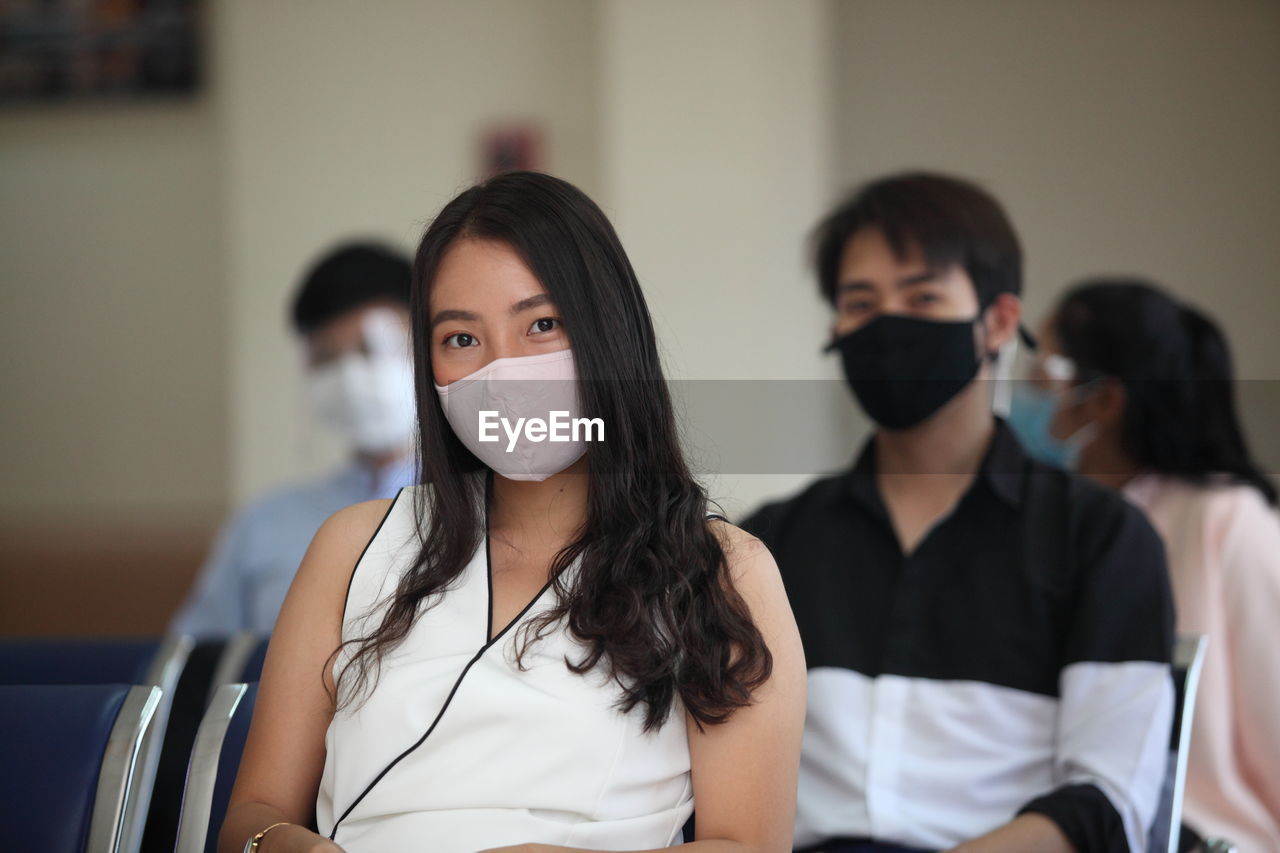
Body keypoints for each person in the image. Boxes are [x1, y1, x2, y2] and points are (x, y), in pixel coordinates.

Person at [220, 172, 807, 853]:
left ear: (609, 335)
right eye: (462, 339)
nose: (503, 372)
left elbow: (751, 845)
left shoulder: (720, 571)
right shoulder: (352, 547)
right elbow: (251, 816)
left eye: (542, 325)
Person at [741, 173, 1175, 853]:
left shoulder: (1101, 539)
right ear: (836, 329)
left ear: (1000, 321)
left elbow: (1110, 798)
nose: (888, 324)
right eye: (861, 302)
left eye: (923, 296)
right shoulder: (768, 544)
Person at [1013, 278, 1280, 852]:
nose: (1026, 385)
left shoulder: (1226, 521)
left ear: (1104, 401)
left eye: (1045, 369)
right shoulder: (1039, 527)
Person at [171, 242, 418, 637]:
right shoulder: (264, 523)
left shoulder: (491, 505)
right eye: (326, 358)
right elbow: (193, 664)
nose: (350, 378)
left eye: (371, 348)